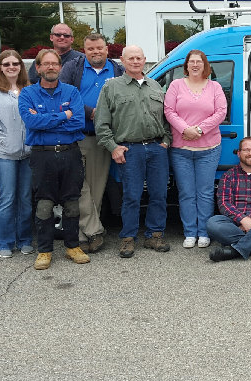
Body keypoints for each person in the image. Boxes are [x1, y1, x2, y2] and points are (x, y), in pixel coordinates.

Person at [95, 45, 173, 259]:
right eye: (131, 58)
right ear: (123, 60)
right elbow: (101, 123)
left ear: (144, 59)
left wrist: (166, 141)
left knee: (159, 194)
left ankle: (155, 234)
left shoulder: (155, 86)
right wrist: (112, 147)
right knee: (131, 196)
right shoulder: (111, 88)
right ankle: (128, 238)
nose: (136, 61)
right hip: (130, 150)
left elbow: (167, 119)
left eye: (139, 57)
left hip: (157, 149)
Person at [18, 49, 90, 270]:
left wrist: (46, 119)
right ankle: (44, 251)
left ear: (60, 67)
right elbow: (31, 123)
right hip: (42, 155)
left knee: (71, 203)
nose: (51, 67)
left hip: (70, 153)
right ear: (38, 68)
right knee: (44, 205)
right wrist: (62, 116)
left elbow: (78, 122)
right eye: (46, 64)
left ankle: (72, 247)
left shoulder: (71, 92)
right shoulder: (27, 94)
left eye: (55, 64)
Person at [59, 33, 124, 253]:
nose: (95, 52)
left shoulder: (117, 70)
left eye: (99, 48)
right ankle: (90, 231)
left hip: (102, 139)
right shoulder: (72, 68)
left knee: (96, 189)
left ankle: (86, 234)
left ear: (107, 49)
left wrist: (105, 116)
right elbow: (63, 97)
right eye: (90, 49)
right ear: (84, 50)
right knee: (77, 187)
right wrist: (91, 112)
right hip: (76, 135)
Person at [164, 49, 227, 249]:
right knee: (186, 193)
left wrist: (199, 129)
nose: (195, 65)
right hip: (181, 149)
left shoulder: (215, 87)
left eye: (199, 61)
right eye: (191, 61)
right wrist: (185, 129)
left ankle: (204, 233)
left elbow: (221, 112)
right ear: (186, 65)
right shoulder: (175, 85)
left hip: (209, 148)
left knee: (205, 193)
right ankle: (190, 232)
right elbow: (168, 110)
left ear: (205, 65)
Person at [0, 50, 35, 259]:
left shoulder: (28, 90)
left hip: (28, 153)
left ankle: (25, 240)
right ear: (0, 68)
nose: (11, 67)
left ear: (21, 66)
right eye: (6, 64)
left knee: (25, 198)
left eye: (15, 63)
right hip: (5, 155)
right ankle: (4, 241)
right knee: (8, 198)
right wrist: (5, 140)